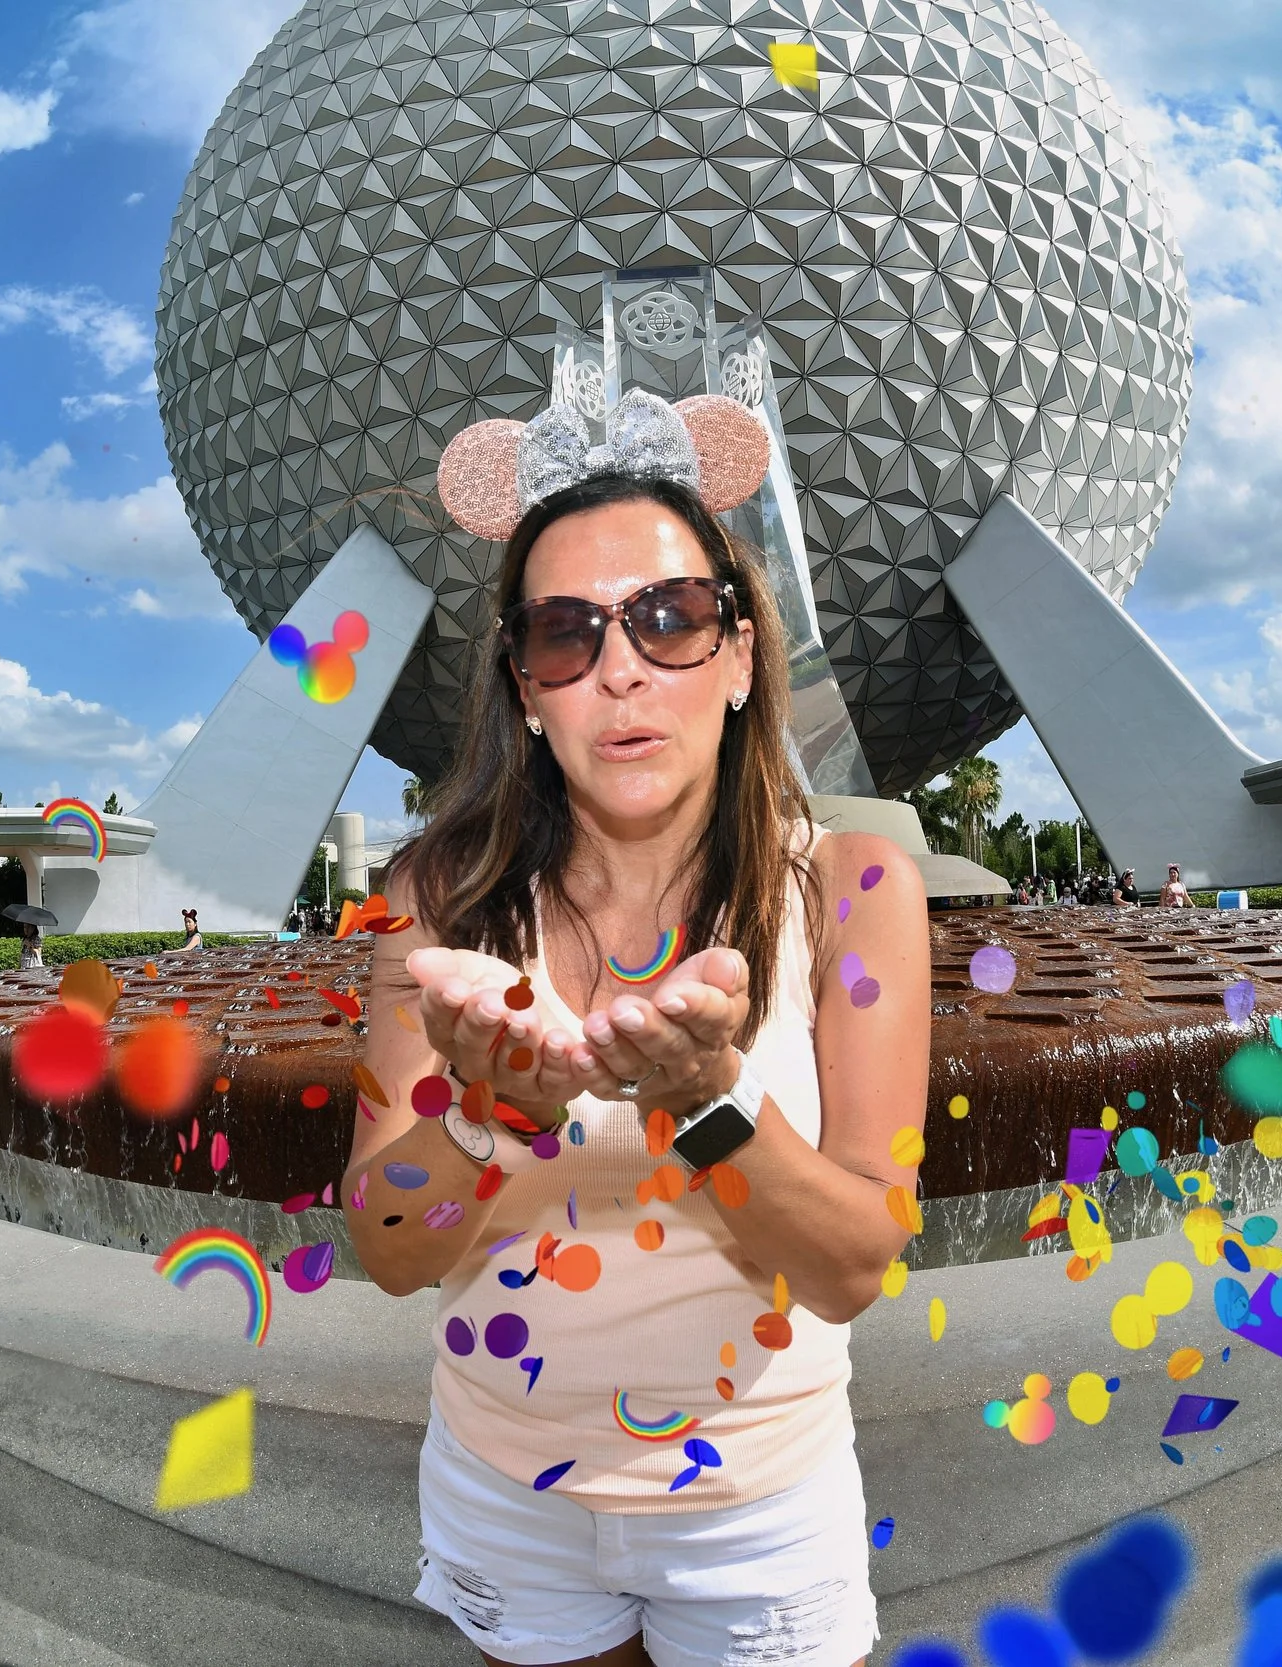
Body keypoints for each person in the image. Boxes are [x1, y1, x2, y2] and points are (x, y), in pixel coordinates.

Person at [350, 416, 926, 1667]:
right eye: (566, 631)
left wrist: (707, 1094)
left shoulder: (854, 891)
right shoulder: (434, 900)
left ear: (737, 653)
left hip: (757, 1505)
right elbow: (387, 1247)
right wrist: (485, 1112)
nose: (621, 669)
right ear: (523, 684)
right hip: (510, 1492)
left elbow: (854, 1264)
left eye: (668, 616)